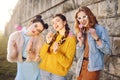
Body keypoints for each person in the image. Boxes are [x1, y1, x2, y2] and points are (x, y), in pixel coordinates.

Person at [74, 6, 111, 80]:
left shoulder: (100, 29)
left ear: (89, 16)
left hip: (93, 67)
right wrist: (80, 42)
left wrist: (96, 38)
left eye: (84, 16)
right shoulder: (82, 31)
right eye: (79, 18)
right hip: (81, 66)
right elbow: (78, 55)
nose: (82, 20)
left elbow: (108, 51)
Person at [7, 15, 48, 80]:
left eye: (38, 30)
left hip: (33, 66)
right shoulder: (16, 35)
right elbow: (11, 56)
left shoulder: (39, 39)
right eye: (35, 26)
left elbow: (40, 56)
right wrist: (14, 51)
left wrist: (32, 54)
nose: (35, 30)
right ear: (31, 23)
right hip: (22, 65)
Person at [39, 14, 76, 80]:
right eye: (53, 23)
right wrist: (47, 43)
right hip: (44, 71)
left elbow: (67, 64)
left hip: (58, 75)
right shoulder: (52, 36)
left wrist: (56, 52)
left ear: (64, 22)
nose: (55, 24)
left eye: (57, 21)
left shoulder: (71, 38)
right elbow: (42, 55)